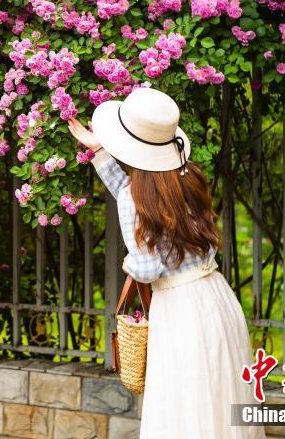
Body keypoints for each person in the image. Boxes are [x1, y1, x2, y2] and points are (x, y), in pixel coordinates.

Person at [68, 87, 264, 439]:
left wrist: (130, 264)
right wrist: (98, 152)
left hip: (180, 309)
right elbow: (137, 197)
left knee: (184, 405)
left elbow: (147, 268)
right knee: (220, 397)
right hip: (216, 298)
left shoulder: (135, 197)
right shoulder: (188, 178)